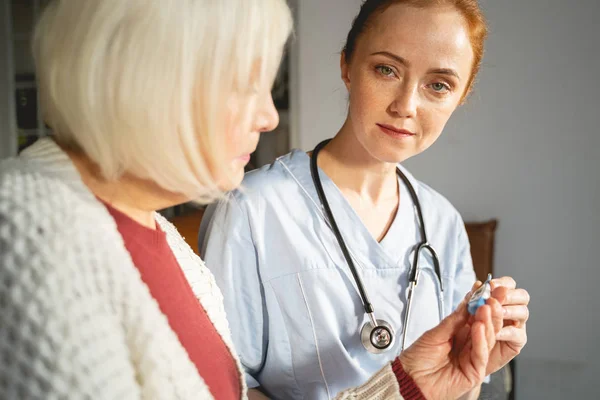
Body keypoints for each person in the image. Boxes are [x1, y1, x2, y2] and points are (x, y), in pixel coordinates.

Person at [0, 0, 517, 399]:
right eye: (246, 83)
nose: (270, 117)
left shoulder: (168, 248)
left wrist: (413, 382)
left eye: (439, 85)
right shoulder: (31, 230)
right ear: (151, 78)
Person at [199, 1, 530, 399]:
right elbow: (217, 390)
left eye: (438, 85)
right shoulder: (250, 209)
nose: (405, 106)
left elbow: (457, 390)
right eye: (386, 69)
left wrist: (472, 365)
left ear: (459, 98)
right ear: (347, 67)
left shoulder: (443, 223)